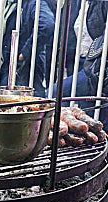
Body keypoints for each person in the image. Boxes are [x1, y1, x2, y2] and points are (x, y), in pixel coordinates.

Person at [51, 0, 108, 132]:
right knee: (87, 112)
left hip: (98, 66)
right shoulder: (76, 3)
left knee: (57, 93)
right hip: (83, 61)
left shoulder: (101, 3)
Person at [0, 0, 55, 97]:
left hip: (25, 64)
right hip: (14, 60)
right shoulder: (15, 3)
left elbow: (46, 25)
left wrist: (26, 52)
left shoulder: (34, 3)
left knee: (29, 102)